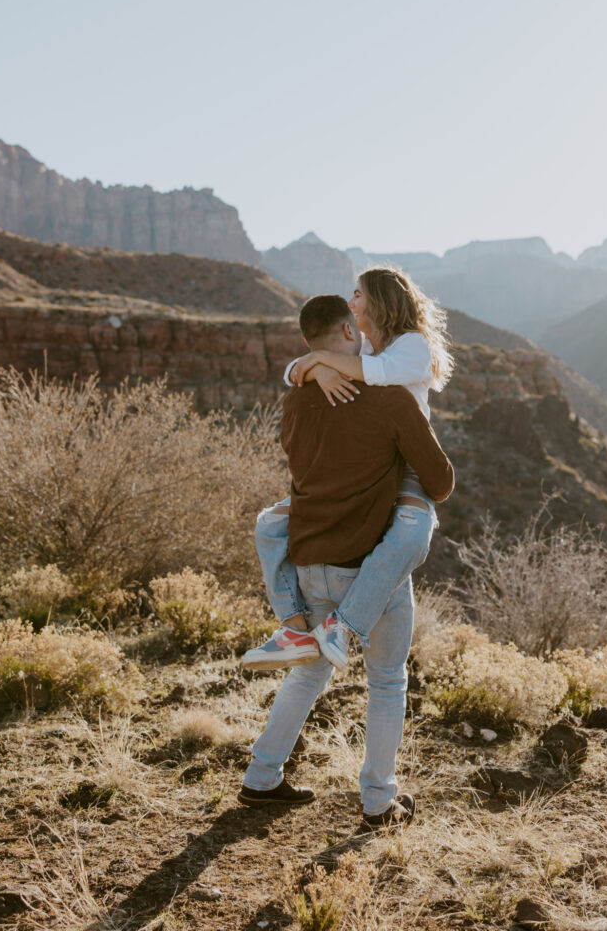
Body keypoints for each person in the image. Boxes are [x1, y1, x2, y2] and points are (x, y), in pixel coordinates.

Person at [238, 294, 454, 829]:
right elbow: (442, 483)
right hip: (370, 563)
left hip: (312, 559)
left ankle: (261, 778)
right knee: (386, 681)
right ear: (346, 330)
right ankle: (379, 801)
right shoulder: (391, 400)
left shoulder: (295, 401)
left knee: (308, 675)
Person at [241, 266, 454, 673]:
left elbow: (379, 377)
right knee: (269, 524)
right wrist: (316, 366)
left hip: (408, 462)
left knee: (411, 534)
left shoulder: (412, 346)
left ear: (379, 299)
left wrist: (319, 358)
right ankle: (292, 628)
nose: (351, 301)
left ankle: (346, 622)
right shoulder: (368, 345)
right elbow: (293, 372)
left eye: (358, 294)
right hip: (367, 462)